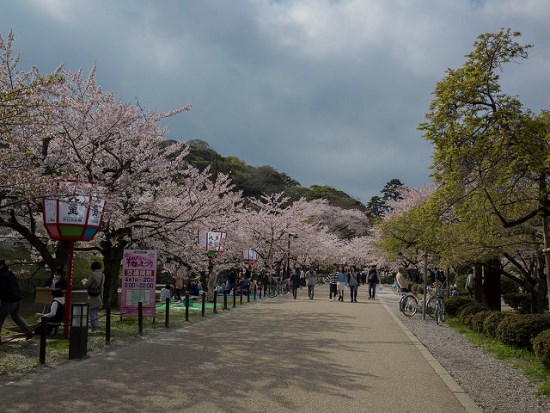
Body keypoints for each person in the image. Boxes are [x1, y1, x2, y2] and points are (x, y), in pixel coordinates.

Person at [0, 260, 34, 342]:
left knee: (0, 319)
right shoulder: (10, 274)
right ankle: (28, 332)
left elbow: (1, 289)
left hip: (8, 301)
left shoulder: (1, 275)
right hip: (17, 300)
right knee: (15, 317)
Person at [81, 261, 104, 333]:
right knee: (95, 312)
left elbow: (86, 285)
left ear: (93, 268)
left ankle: (95, 328)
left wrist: (83, 281)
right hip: (99, 295)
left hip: (93, 295)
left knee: (92, 312)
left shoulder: (93, 274)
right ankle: (95, 327)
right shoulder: (103, 275)